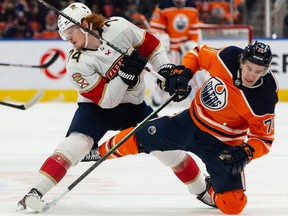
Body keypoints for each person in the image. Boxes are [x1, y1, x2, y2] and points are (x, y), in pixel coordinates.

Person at [17, 2, 214, 213]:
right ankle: (34, 194)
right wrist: (125, 75)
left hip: (135, 108)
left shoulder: (119, 27)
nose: (68, 40)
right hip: (95, 110)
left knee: (169, 151)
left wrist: (165, 69)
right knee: (74, 145)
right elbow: (106, 101)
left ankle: (204, 192)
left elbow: (152, 46)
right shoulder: (76, 63)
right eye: (64, 35)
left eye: (70, 32)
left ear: (84, 24)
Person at [98, 41, 278, 214]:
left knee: (233, 206)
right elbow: (198, 53)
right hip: (189, 123)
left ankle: (209, 191)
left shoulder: (265, 98)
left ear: (266, 70)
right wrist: (185, 73)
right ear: (242, 61)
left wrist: (247, 151)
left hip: (223, 146)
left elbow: (263, 139)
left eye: (259, 71)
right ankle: (99, 153)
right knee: (142, 135)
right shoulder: (227, 57)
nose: (252, 75)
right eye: (249, 68)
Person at [149, 0, 201, 106]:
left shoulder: (192, 7)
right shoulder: (163, 6)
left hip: (184, 48)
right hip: (169, 49)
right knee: (168, 74)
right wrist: (162, 41)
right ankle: (157, 97)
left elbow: (194, 29)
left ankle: (197, 99)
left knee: (192, 73)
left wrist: (192, 43)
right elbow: (156, 28)